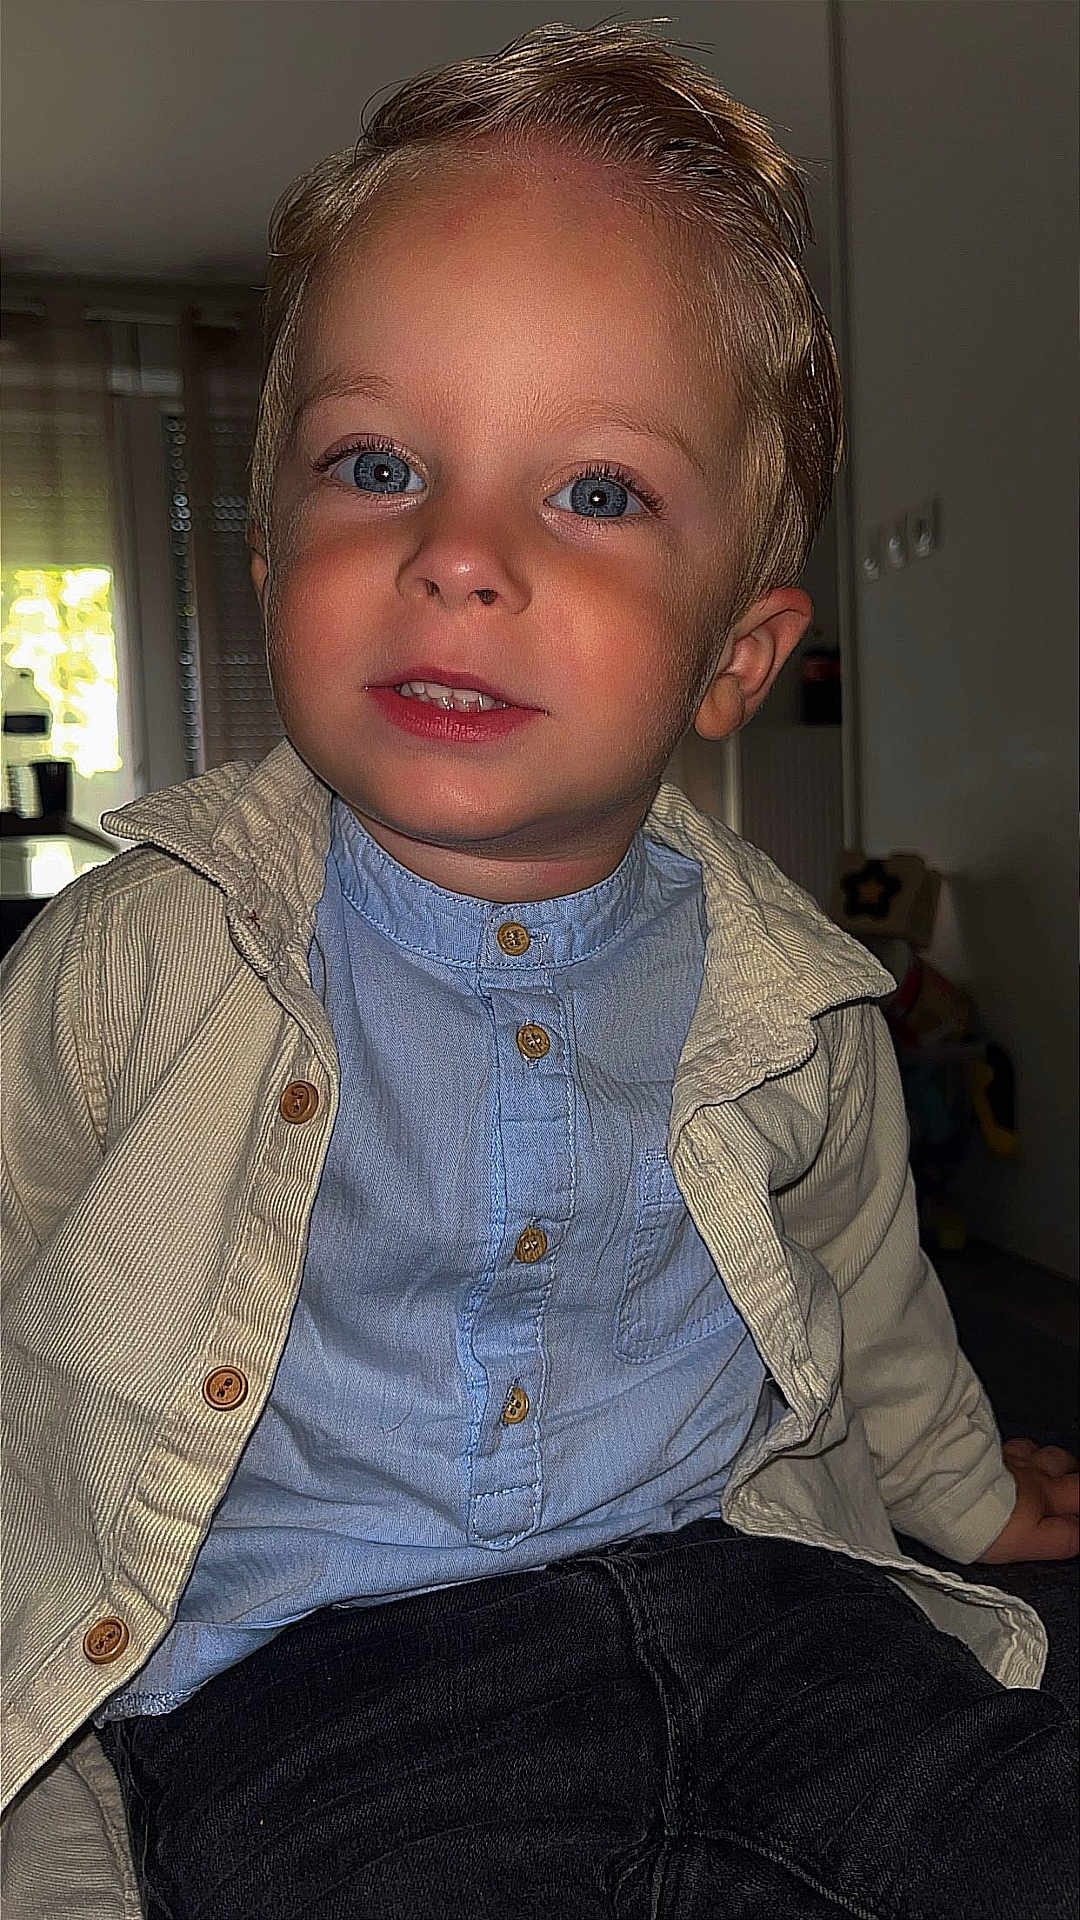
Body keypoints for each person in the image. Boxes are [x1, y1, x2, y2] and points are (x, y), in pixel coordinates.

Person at [2, 18, 1076, 1919]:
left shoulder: (789, 996)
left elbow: (869, 1287)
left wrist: (976, 1499)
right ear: (267, 557)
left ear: (736, 656)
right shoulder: (142, 958)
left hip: (762, 1600)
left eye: (593, 492)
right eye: (378, 463)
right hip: (315, 1681)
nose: (459, 555)